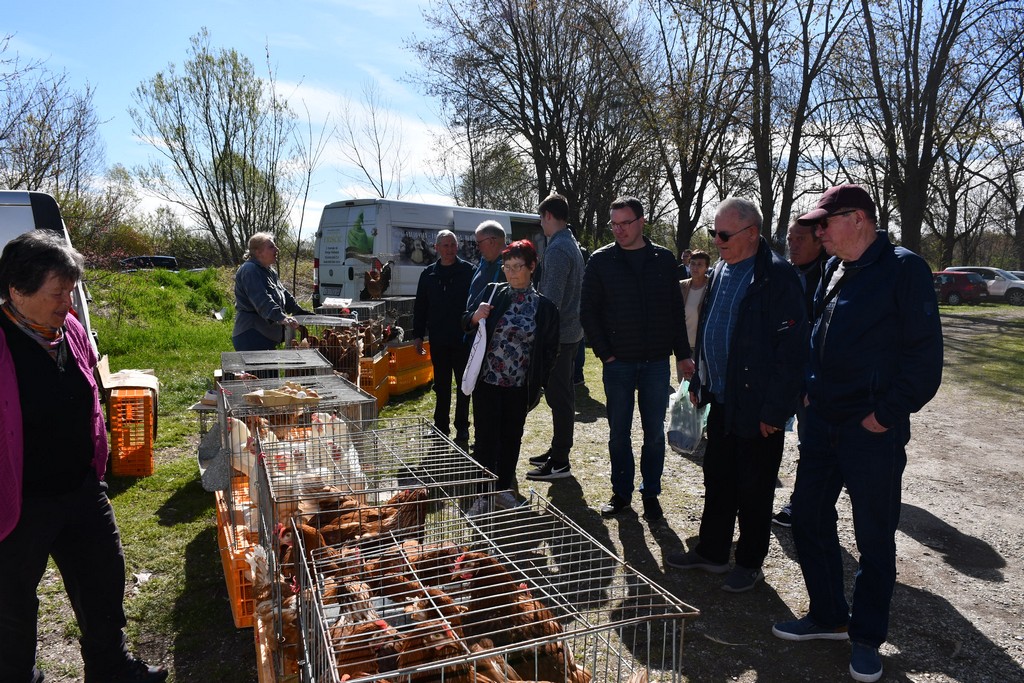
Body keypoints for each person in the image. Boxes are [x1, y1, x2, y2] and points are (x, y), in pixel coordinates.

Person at [771, 185, 943, 683]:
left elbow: (925, 362)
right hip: (822, 422)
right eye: (816, 225)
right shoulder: (832, 266)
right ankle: (829, 616)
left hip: (872, 432)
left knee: (873, 537)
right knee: (805, 515)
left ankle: (866, 638)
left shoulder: (905, 269)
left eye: (826, 224)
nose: (817, 232)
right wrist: (807, 390)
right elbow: (814, 335)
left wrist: (884, 416)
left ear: (860, 219)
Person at [0, 231, 168, 683]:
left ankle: (110, 669)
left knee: (103, 582)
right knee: (11, 608)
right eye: (58, 293)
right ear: (17, 291)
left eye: (71, 290)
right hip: (19, 503)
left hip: (80, 487)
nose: (68, 302)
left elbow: (89, 393)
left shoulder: (69, 328)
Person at [665, 197, 807, 593]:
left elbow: (792, 353)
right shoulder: (724, 268)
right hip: (721, 398)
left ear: (751, 233)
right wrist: (698, 381)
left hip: (758, 407)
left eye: (723, 234)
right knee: (719, 478)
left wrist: (776, 411)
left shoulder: (778, 277)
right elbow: (710, 327)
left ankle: (748, 562)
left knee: (755, 487)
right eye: (714, 232)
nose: (716, 241)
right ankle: (712, 552)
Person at [580, 196, 693, 523]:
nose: (619, 229)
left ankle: (651, 492)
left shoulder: (662, 259)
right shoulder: (601, 261)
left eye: (625, 223)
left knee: (655, 434)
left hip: (656, 362)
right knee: (618, 433)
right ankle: (621, 493)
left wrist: (683, 354)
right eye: (614, 224)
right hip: (619, 365)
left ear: (642, 221)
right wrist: (606, 354)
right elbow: (588, 311)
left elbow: (675, 311)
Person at [463, 240, 559, 510]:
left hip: (519, 386)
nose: (512, 273)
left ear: (532, 267)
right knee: (484, 440)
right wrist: (474, 316)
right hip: (487, 382)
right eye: (507, 267)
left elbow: (550, 351)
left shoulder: (545, 308)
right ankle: (482, 494)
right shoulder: (494, 293)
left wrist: (539, 382)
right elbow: (466, 321)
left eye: (518, 267)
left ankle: (503, 488)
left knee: (510, 439)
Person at [772, 220, 828, 528]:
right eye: (790, 238)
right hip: (781, 373)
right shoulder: (785, 273)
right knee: (769, 433)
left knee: (810, 442)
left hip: (811, 379)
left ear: (819, 241)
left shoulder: (832, 274)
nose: (792, 244)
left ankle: (800, 502)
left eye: (800, 239)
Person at [526, 193, 585, 481]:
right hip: (569, 333)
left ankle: (561, 460)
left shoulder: (559, 248)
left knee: (560, 399)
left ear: (549, 215)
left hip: (560, 336)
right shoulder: (567, 242)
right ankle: (556, 449)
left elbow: (551, 301)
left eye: (541, 218)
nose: (541, 224)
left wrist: (538, 334)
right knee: (562, 396)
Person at [412, 231, 474, 444]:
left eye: (453, 245)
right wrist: (418, 335)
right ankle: (440, 427)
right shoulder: (428, 274)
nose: (449, 249)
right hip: (438, 340)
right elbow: (420, 306)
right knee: (442, 385)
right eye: (445, 245)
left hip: (462, 340)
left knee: (463, 385)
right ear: (436, 248)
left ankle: (462, 428)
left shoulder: (469, 271)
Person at [232, 232, 311, 351]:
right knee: (259, 370)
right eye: (271, 246)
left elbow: (284, 294)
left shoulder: (269, 271)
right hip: (252, 335)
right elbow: (262, 299)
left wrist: (300, 312)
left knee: (272, 370)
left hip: (267, 334)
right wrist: (281, 317)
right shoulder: (250, 270)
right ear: (258, 252)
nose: (277, 249)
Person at [466, 220, 507, 307]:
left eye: (479, 243)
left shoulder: (511, 267)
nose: (477, 247)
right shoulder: (484, 263)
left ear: (491, 241)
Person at [679, 249, 711, 356]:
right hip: (684, 346)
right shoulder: (681, 286)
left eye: (699, 264)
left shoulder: (713, 286)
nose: (695, 268)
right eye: (692, 264)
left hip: (703, 345)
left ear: (706, 267)